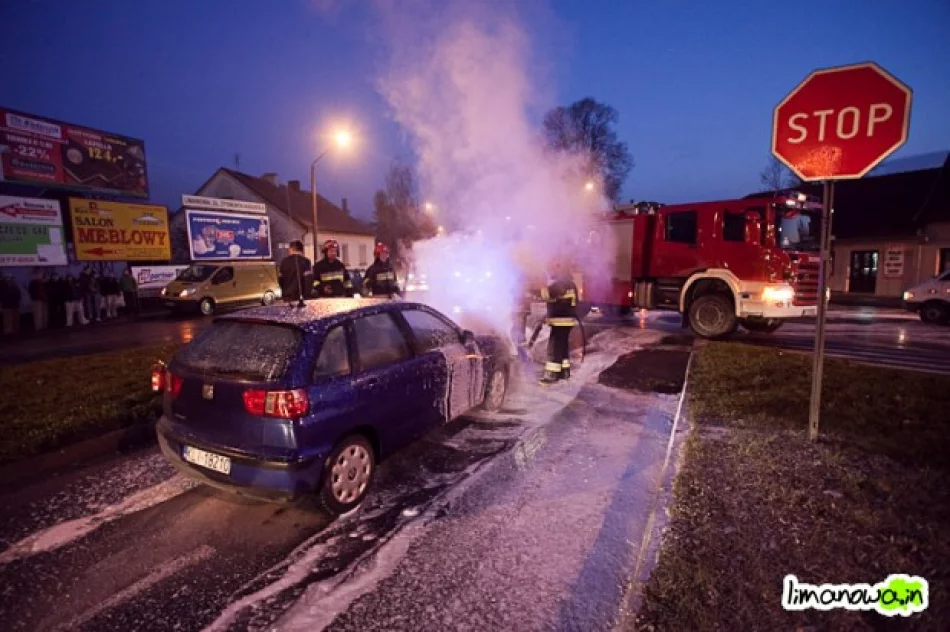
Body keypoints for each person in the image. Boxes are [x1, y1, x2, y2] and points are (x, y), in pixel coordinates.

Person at [539, 260, 578, 384]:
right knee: (563, 346)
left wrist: (540, 286)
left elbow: (547, 294)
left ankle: (551, 375)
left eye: (553, 269)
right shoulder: (571, 283)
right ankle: (564, 372)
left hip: (560, 320)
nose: (551, 272)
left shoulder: (561, 283)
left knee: (554, 347)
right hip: (567, 320)